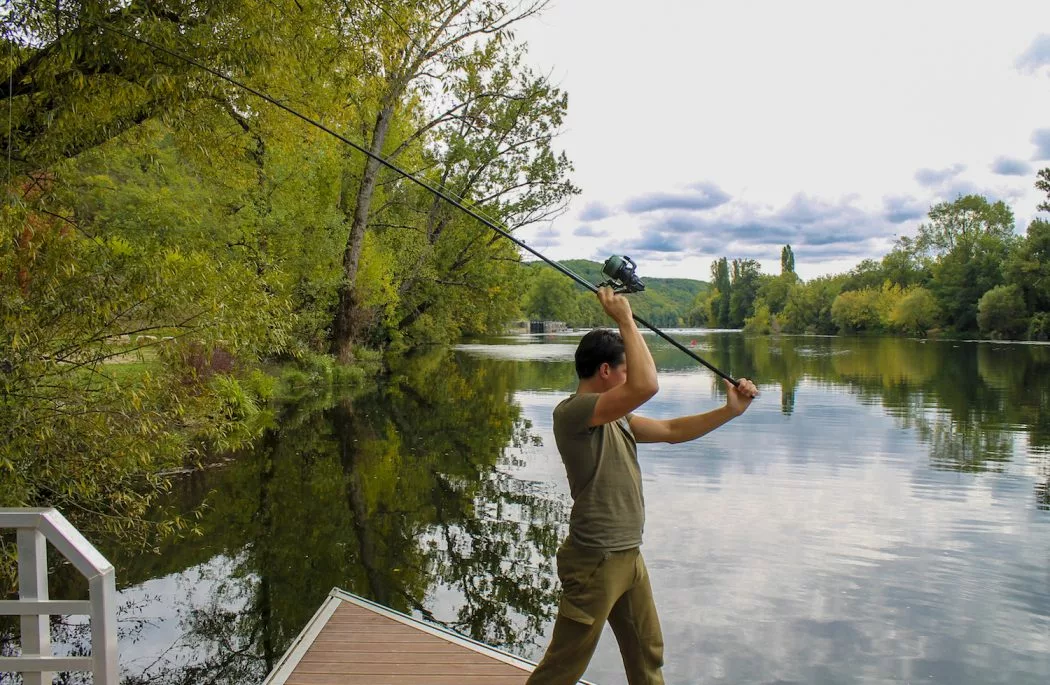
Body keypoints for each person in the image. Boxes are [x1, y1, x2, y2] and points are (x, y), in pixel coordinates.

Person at [526, 286, 759, 685]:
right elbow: (647, 386)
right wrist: (625, 319)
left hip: (629, 557)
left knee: (647, 657)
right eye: (623, 370)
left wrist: (729, 411)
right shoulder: (574, 412)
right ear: (605, 372)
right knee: (563, 667)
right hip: (595, 560)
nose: (629, 376)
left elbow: (670, 429)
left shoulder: (617, 418)